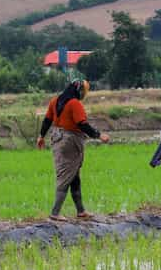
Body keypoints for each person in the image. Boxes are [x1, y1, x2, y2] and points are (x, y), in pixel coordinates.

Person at [37, 80, 110, 221]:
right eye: (84, 91)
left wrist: (41, 136)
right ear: (79, 90)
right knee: (65, 176)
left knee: (74, 174)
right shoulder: (74, 104)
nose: (84, 94)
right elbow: (82, 124)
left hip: (57, 138)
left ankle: (81, 210)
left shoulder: (55, 101)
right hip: (70, 141)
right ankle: (55, 212)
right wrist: (99, 135)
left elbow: (47, 120)